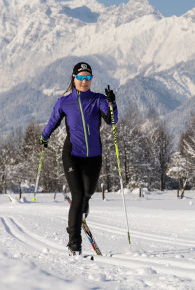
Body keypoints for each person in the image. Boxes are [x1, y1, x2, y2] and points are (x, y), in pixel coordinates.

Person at [40, 62, 118, 255]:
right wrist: (44, 136)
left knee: (88, 192)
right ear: (73, 79)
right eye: (81, 78)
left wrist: (112, 103)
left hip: (94, 156)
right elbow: (53, 121)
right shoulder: (64, 102)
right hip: (72, 155)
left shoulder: (98, 99)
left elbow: (112, 120)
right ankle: (74, 244)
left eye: (88, 78)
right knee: (78, 196)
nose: (84, 81)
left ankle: (85, 202)